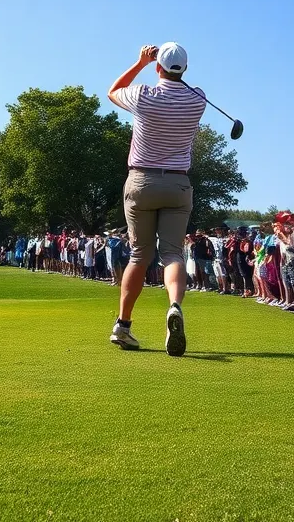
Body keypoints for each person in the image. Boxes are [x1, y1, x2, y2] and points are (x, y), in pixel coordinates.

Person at [106, 42, 206, 356]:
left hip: (141, 181)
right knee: (173, 254)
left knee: (139, 255)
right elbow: (188, 87)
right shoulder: (198, 99)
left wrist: (140, 62)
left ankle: (124, 325)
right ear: (185, 69)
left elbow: (113, 91)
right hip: (177, 184)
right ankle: (174, 306)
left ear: (158, 67)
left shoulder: (143, 95)